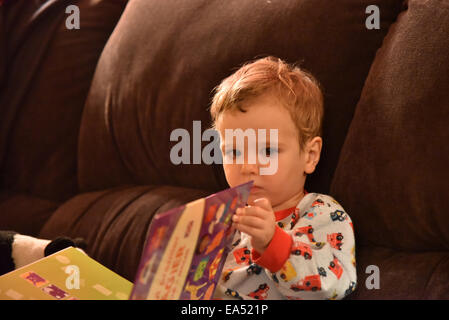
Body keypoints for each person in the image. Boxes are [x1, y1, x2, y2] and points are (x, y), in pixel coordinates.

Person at [209, 56, 357, 300]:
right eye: (233, 152)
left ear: (310, 155)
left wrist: (272, 243)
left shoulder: (322, 214)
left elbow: (333, 285)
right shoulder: (223, 215)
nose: (248, 166)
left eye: (267, 151)